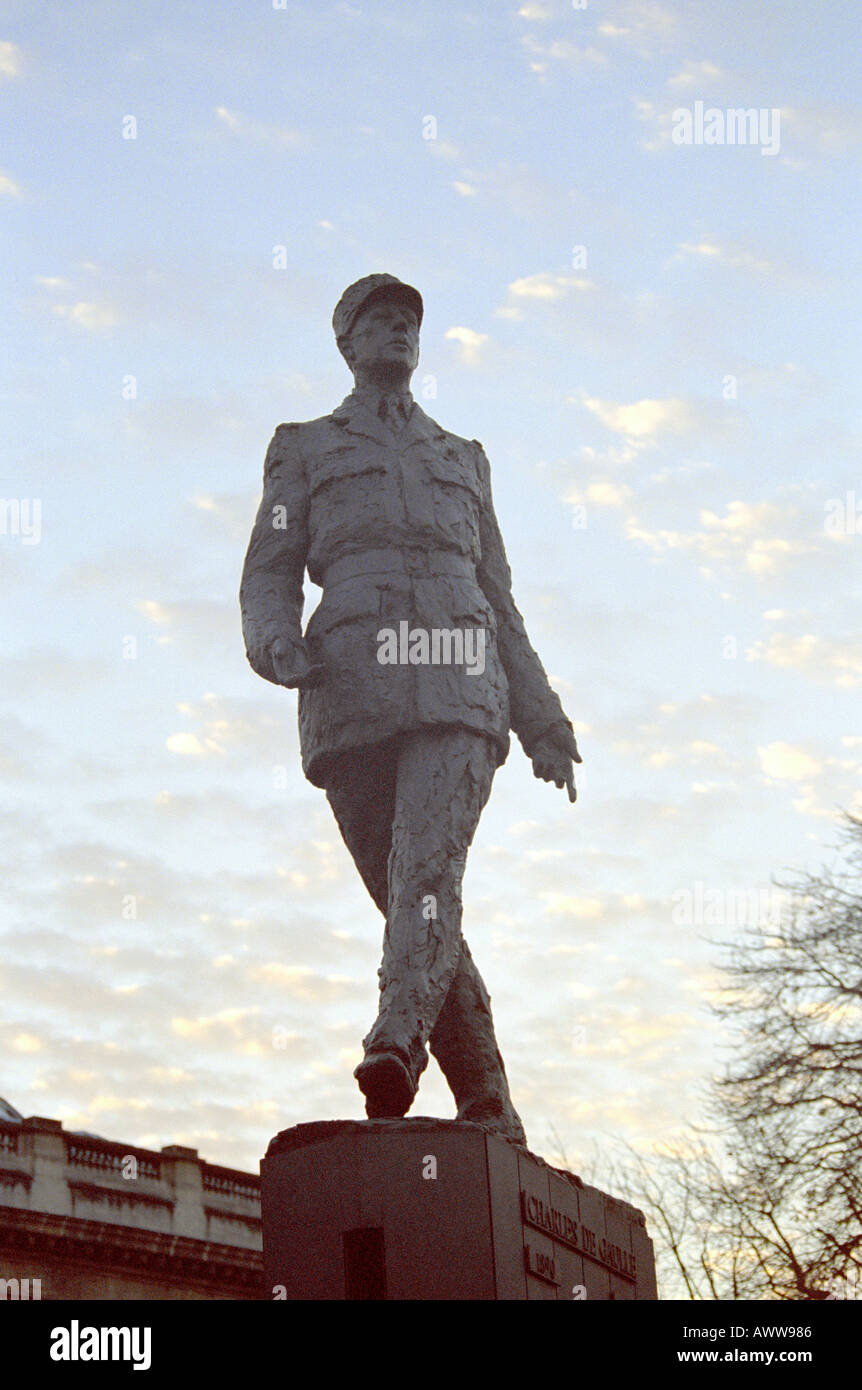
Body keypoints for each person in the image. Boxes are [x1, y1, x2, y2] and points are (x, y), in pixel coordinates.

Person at [240, 274, 581, 1143]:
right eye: (378, 320)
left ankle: (395, 1042)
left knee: (428, 871)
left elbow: (497, 593)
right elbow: (272, 563)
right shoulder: (304, 447)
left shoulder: (463, 456)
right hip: (348, 685)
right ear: (347, 343)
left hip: (463, 677)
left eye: (408, 322)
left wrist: (540, 718)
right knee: (408, 896)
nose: (397, 331)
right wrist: (275, 640)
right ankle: (489, 1102)